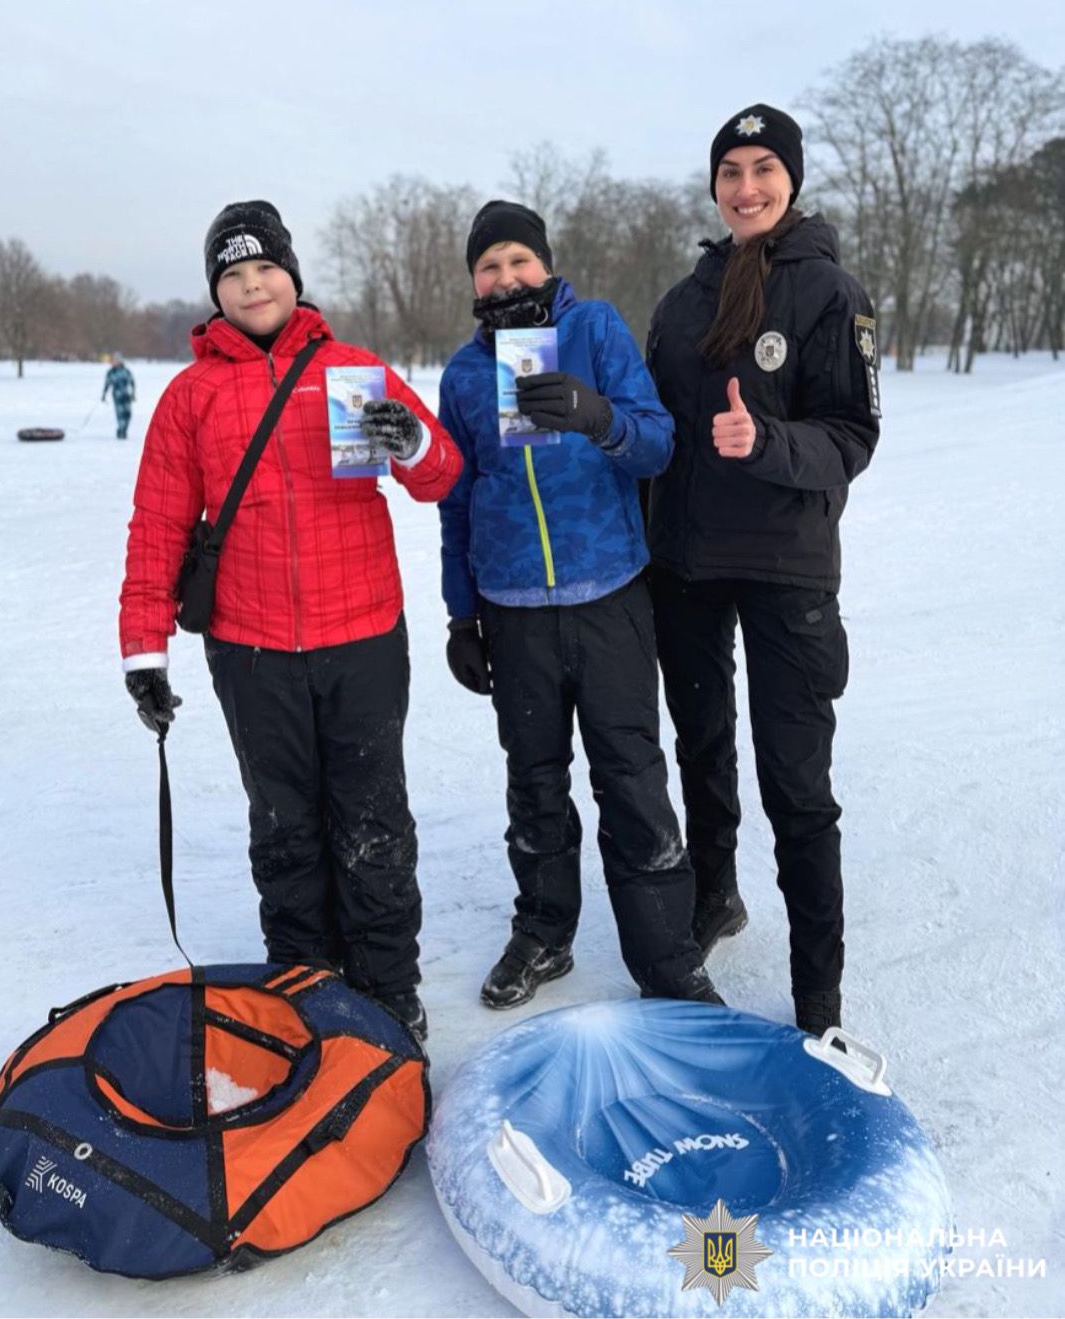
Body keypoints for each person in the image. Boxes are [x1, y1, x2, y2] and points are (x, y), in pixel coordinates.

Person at [118, 201, 462, 1042]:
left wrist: (409, 440)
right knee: (284, 822)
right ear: (217, 294)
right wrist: (143, 650)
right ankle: (305, 981)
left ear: (291, 276)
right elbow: (159, 523)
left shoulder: (351, 368)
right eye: (232, 276)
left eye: (263, 269)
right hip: (249, 645)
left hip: (364, 635)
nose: (251, 285)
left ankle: (387, 987)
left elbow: (442, 474)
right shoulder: (190, 395)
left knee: (373, 816)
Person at [438, 200, 720, 1011]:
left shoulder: (594, 329)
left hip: (609, 596)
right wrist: (462, 614)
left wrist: (598, 418)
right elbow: (455, 504)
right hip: (512, 607)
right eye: (488, 266)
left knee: (630, 777)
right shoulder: (463, 373)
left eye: (519, 260)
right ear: (472, 281)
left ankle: (665, 956)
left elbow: (658, 440)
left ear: (546, 265)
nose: (505, 276)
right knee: (533, 783)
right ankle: (543, 931)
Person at [644, 105, 882, 1037]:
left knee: (796, 782)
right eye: (731, 171)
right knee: (700, 746)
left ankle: (816, 998)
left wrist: (766, 439)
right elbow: (654, 434)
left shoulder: (831, 291)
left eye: (763, 169)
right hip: (689, 566)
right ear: (713, 186)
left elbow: (852, 436)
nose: (746, 187)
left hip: (786, 569)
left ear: (790, 180)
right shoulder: (681, 300)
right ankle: (715, 894)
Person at [102, 353, 136, 439]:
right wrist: (104, 395)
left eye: (114, 361)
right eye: (112, 361)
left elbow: (132, 382)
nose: (112, 363)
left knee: (128, 414)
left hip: (126, 395)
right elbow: (107, 384)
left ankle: (124, 429)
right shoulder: (110, 373)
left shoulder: (126, 371)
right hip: (117, 396)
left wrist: (133, 394)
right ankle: (121, 431)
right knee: (120, 414)